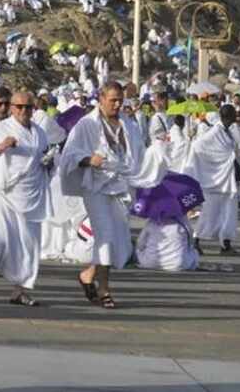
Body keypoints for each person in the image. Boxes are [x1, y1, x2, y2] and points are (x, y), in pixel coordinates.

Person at [60, 81, 167, 309]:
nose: (117, 105)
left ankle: (88, 275)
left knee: (118, 239)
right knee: (105, 236)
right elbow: (69, 155)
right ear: (101, 98)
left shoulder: (128, 125)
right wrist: (89, 160)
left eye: (120, 100)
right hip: (96, 187)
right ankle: (104, 289)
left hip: (119, 187)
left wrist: (158, 149)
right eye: (113, 100)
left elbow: (137, 156)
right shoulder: (87, 125)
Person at [0, 90, 49, 306]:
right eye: (19, 107)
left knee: (29, 245)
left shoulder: (40, 133)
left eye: (28, 107)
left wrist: (48, 162)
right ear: (12, 108)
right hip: (4, 193)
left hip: (31, 195)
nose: (24, 111)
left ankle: (20, 291)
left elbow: (44, 157)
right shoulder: (1, 129)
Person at [188, 103, 240, 255]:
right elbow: (198, 147)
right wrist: (214, 165)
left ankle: (226, 244)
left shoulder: (227, 131)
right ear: (229, 116)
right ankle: (196, 241)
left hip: (226, 180)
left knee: (229, 214)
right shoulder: (215, 132)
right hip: (215, 181)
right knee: (209, 214)